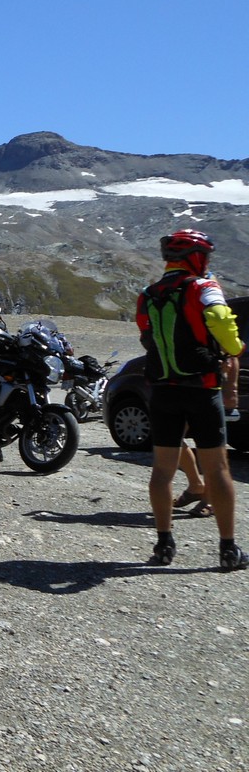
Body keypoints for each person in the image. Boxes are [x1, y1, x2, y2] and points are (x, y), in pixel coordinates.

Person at [137, 228, 247, 570]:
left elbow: (145, 336)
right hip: (202, 388)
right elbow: (218, 318)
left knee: (162, 470)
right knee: (217, 468)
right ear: (195, 258)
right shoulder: (203, 287)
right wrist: (233, 347)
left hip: (163, 390)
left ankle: (163, 544)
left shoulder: (148, 294)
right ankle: (229, 549)